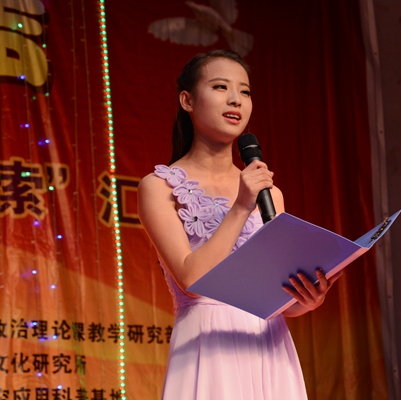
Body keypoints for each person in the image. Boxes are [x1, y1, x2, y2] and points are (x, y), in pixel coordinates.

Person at [138, 50, 342, 399]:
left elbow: (276, 294)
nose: (236, 99)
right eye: (220, 87)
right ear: (187, 100)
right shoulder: (159, 187)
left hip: (268, 344)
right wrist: (242, 205)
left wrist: (307, 300)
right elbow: (192, 280)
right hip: (207, 344)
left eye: (245, 91)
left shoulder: (270, 194)